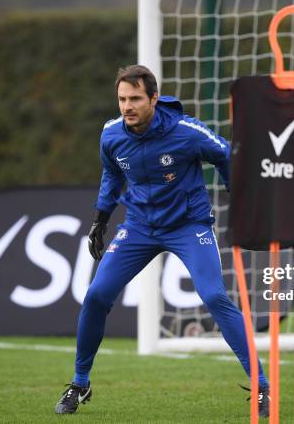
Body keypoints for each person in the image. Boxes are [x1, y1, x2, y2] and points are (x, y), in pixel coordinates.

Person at [54, 65, 269, 417]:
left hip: (189, 226)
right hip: (139, 227)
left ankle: (262, 386)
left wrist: (240, 201)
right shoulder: (111, 134)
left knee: (214, 295)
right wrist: (101, 218)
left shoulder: (186, 132)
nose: (127, 106)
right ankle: (80, 382)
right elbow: (111, 173)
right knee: (95, 295)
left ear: (153, 98)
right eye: (122, 99)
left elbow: (226, 155)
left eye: (135, 98)